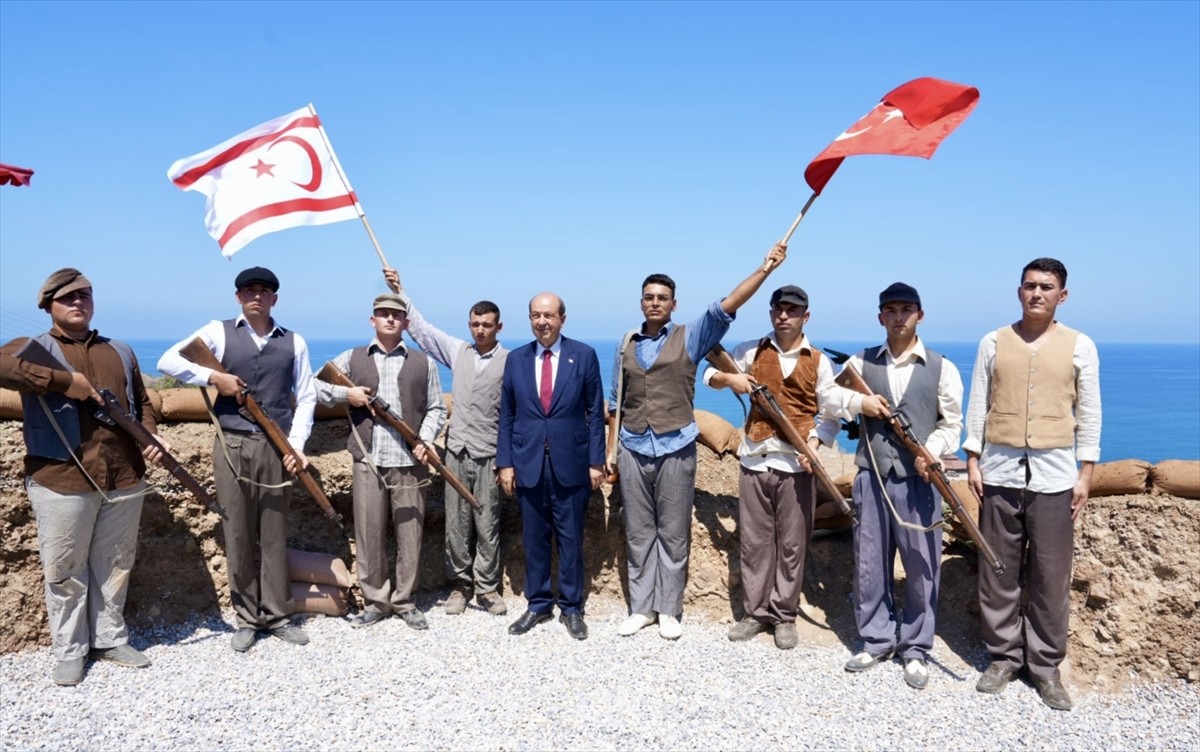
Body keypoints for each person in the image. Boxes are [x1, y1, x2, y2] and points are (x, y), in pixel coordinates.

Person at [609, 244, 786, 641]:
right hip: (633, 446)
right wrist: (610, 450)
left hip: (676, 445)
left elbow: (727, 306)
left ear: (674, 305)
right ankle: (641, 608)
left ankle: (668, 609)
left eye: (663, 299)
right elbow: (614, 402)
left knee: (673, 532)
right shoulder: (626, 344)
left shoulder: (691, 337)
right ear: (641, 303)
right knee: (638, 531)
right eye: (649, 297)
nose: (655, 303)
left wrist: (765, 270)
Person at [0, 268, 166, 686]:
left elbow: (141, 401)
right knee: (65, 568)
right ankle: (70, 649)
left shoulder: (122, 351)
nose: (79, 302)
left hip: (124, 474)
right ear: (48, 305)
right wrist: (63, 382)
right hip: (61, 477)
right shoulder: (33, 346)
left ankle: (109, 638)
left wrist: (149, 435)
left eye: (85, 295)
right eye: (68, 297)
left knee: (115, 564)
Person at [964, 258, 1101, 711]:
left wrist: (1085, 475)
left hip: (1055, 476)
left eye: (1046, 287)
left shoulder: (1081, 346)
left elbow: (1090, 415)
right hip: (1000, 470)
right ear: (1018, 291)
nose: (1036, 293)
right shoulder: (993, 342)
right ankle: (1003, 657)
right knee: (998, 571)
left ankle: (1044, 667)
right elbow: (977, 403)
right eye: (1029, 286)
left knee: (1050, 576)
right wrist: (972, 460)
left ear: (1062, 296)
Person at [158, 267, 316, 653]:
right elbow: (167, 361)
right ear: (238, 296)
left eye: (264, 290)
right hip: (231, 444)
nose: (256, 296)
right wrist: (215, 378)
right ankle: (247, 618)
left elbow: (307, 395)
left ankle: (278, 615)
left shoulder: (294, 342)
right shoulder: (217, 330)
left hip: (276, 446)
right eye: (249, 289)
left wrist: (295, 447)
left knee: (275, 533)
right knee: (238, 533)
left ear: (275, 298)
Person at [830, 282, 963, 690]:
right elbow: (828, 398)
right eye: (891, 309)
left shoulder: (942, 367)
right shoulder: (860, 362)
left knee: (922, 565)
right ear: (881, 317)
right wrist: (859, 404)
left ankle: (916, 649)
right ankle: (876, 639)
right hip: (871, 475)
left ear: (920, 315)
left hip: (920, 480)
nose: (899, 316)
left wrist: (932, 451)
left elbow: (952, 424)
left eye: (907, 309)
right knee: (870, 561)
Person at [702, 285, 841, 650]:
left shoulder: (820, 361)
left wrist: (812, 445)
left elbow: (830, 416)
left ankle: (785, 615)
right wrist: (730, 378)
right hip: (754, 460)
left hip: (797, 468)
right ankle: (755, 613)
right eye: (779, 309)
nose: (784, 316)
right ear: (770, 313)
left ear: (805, 317)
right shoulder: (750, 350)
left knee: (793, 545)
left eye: (792, 310)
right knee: (755, 543)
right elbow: (709, 373)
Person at [314, 292, 447, 630]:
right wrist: (349, 394)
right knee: (369, 534)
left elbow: (435, 408)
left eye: (396, 315)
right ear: (372, 320)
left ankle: (404, 601)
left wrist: (427, 439)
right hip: (368, 460)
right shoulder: (351, 358)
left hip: (410, 462)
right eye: (383, 314)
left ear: (405, 322)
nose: (390, 319)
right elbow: (314, 386)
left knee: (410, 536)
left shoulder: (424, 362)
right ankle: (375, 602)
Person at [384, 268, 509, 617]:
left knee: (488, 521)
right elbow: (423, 331)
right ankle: (460, 585)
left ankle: (486, 587)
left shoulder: (510, 361)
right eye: (475, 324)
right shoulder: (458, 351)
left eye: (486, 325)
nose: (480, 330)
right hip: (455, 450)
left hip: (489, 454)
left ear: (499, 327)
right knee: (456, 521)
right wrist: (401, 292)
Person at [497, 292, 605, 640]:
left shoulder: (584, 356)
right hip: (528, 463)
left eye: (548, 315)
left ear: (562, 318)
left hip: (571, 464)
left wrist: (595, 462)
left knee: (571, 538)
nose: (541, 321)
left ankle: (572, 608)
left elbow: (594, 414)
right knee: (534, 539)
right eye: (535, 315)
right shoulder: (516, 359)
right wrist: (505, 464)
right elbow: (507, 417)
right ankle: (538, 604)